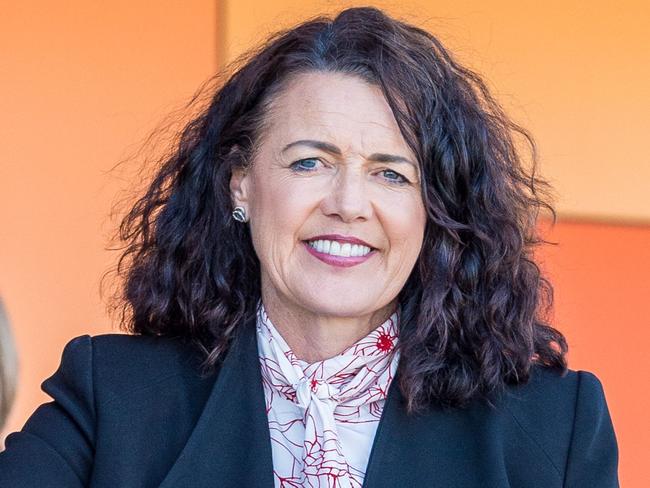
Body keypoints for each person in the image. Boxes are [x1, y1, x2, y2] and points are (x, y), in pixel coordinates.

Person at [0, 6, 618, 487]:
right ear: (240, 182)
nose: (349, 203)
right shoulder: (112, 396)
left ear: (436, 211)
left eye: (391, 173)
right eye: (309, 163)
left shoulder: (554, 426)